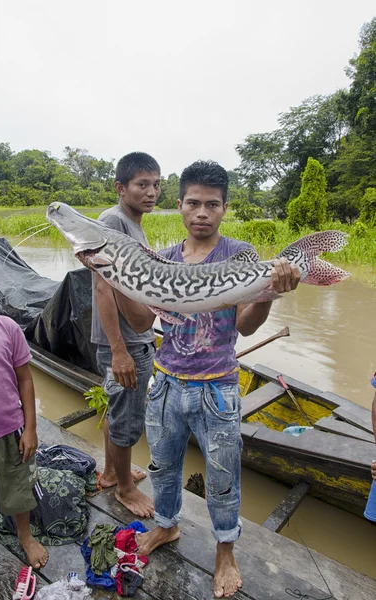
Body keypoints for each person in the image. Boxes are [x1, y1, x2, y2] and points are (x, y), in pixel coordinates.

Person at [118, 160, 301, 598]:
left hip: (218, 387)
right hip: (165, 384)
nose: (202, 212)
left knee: (223, 477)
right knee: (162, 469)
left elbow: (246, 328)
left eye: (212, 205)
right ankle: (166, 526)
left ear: (224, 208)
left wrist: (271, 293)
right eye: (194, 203)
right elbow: (143, 323)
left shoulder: (240, 255)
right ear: (179, 205)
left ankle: (225, 550)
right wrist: (119, 278)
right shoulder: (160, 260)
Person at [91, 151, 161, 518]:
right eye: (142, 185)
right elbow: (104, 289)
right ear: (120, 188)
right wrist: (119, 350)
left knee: (119, 408)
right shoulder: (112, 221)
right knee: (128, 416)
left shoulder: (133, 223)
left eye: (156, 184)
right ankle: (124, 488)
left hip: (133, 337)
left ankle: (109, 471)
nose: (151, 192)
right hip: (123, 342)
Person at [0, 256, 48, 594]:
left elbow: (25, 379)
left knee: (19, 490)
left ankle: (25, 535)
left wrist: (31, 427)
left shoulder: (6, 328)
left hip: (9, 431)